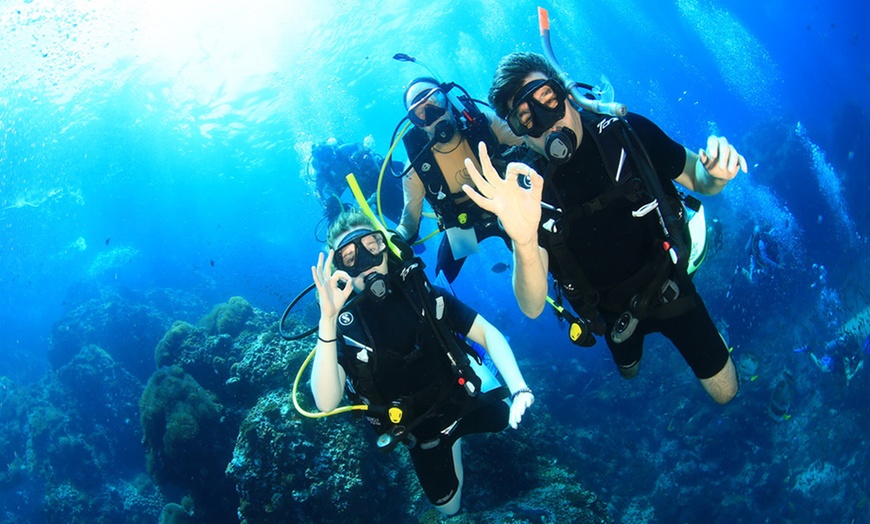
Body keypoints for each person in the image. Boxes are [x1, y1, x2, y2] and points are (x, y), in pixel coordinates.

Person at [461, 52, 748, 404]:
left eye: (549, 100)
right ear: (518, 134)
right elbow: (533, 306)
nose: (548, 123)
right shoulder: (525, 192)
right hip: (611, 316)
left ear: (566, 93)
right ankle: (630, 358)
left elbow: (697, 178)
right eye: (525, 119)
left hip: (670, 286)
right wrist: (522, 240)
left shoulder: (628, 133)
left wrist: (715, 176)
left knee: (726, 393)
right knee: (629, 369)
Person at [310, 209, 534, 515]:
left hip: (462, 397)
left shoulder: (421, 292)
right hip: (421, 429)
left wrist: (519, 386)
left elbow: (486, 332)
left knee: (502, 417)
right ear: (340, 272)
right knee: (448, 508)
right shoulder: (344, 328)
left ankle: (483, 375)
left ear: (386, 249)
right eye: (350, 258)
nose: (365, 262)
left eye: (372, 247)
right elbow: (326, 401)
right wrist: (327, 320)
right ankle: (451, 443)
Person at [395, 77, 524, 283]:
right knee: (442, 284)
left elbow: (529, 142)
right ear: (416, 123)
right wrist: (390, 240)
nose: (432, 115)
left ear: (447, 98)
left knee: (547, 248)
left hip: (505, 206)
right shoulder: (416, 165)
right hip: (463, 224)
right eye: (421, 113)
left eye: (435, 101)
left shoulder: (482, 123)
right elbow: (408, 225)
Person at [310, 137, 404, 222]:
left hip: (375, 176)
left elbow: (358, 144)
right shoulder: (323, 174)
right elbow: (317, 191)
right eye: (327, 159)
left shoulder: (341, 151)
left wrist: (361, 152)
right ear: (322, 163)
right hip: (366, 190)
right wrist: (324, 203)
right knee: (400, 217)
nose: (332, 159)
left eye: (330, 154)